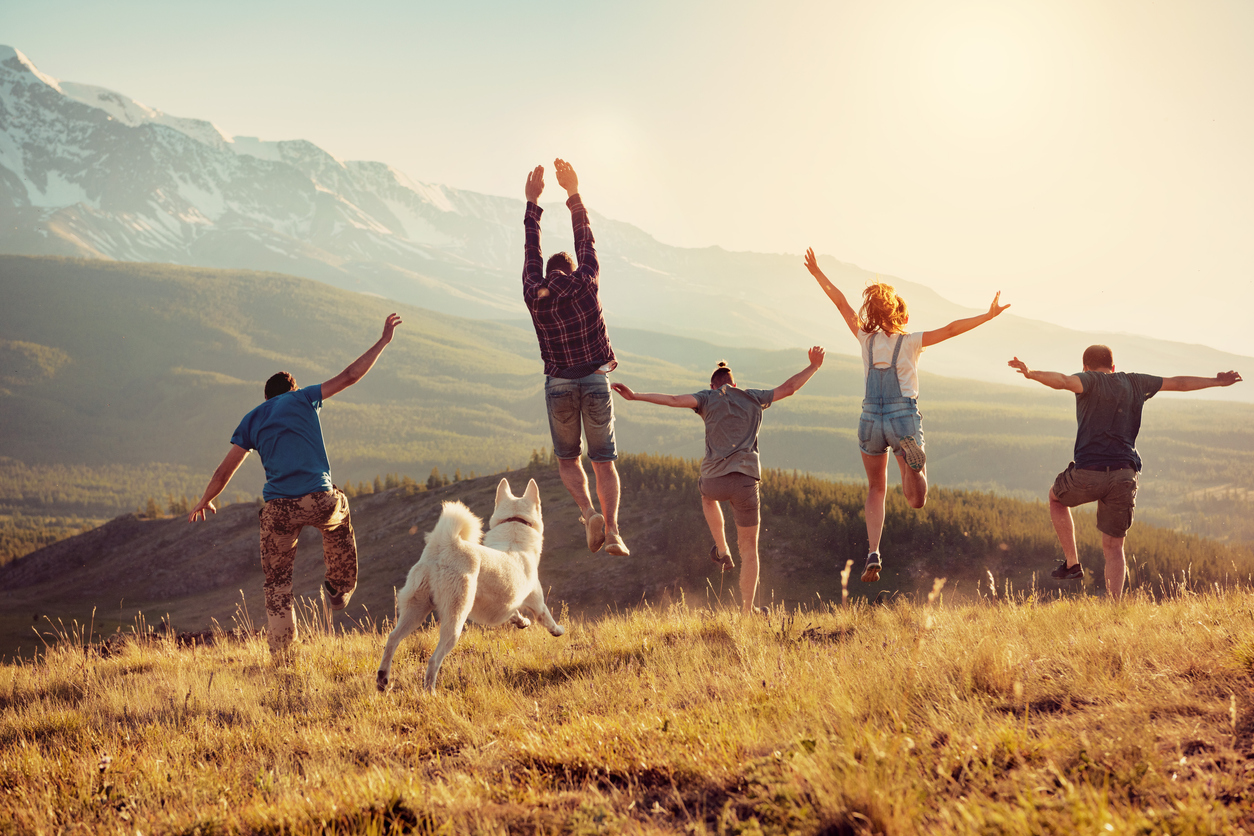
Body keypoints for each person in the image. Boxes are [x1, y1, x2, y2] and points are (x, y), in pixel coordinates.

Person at [188, 313, 403, 656]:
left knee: (276, 583)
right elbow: (349, 376)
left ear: (266, 397)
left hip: (279, 509)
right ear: (292, 390)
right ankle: (338, 587)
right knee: (338, 516)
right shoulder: (304, 398)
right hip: (319, 498)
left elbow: (223, 472)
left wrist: (205, 499)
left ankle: (283, 654)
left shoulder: (252, 418)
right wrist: (383, 341)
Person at [804, 248, 1009, 583]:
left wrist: (817, 273)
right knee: (916, 499)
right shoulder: (912, 341)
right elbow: (953, 329)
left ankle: (873, 552)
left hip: (870, 417)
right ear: (902, 316)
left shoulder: (865, 338)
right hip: (903, 417)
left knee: (875, 487)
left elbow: (840, 302)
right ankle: (914, 465)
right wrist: (987, 316)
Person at [1008, 347, 1241, 600]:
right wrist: (1217, 382)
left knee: (1055, 498)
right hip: (1124, 474)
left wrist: (1031, 373)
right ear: (1113, 366)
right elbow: (1180, 383)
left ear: (1085, 367)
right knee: (1114, 546)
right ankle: (1115, 607)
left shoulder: (1088, 380)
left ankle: (1072, 564)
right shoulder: (1136, 381)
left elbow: (1062, 381)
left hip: (1089, 472)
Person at [610, 347, 825, 614]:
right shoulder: (753, 397)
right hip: (746, 481)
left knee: (706, 497)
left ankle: (722, 550)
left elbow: (675, 399)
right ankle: (747, 611)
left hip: (713, 479)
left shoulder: (706, 398)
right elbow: (790, 387)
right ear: (734, 384)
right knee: (749, 551)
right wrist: (813, 366)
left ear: (712, 386)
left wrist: (635, 396)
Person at [522, 158, 629, 557]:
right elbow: (587, 241)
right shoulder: (587, 285)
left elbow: (531, 249)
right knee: (604, 462)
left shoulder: (535, 293)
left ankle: (588, 514)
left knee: (569, 460)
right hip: (596, 380)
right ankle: (614, 531)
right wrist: (573, 193)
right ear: (572, 268)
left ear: (547, 274)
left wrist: (533, 203)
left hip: (559, 385)